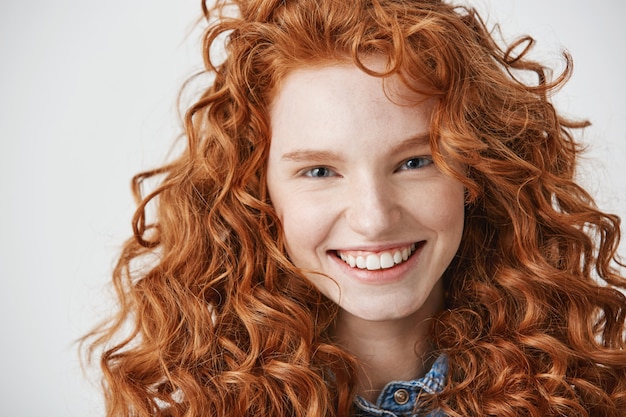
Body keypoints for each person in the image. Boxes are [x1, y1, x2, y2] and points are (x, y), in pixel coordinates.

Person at [84, 0, 626, 416]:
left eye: (415, 162)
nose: (373, 217)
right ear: (256, 193)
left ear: (475, 172)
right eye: (319, 172)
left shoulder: (590, 397)